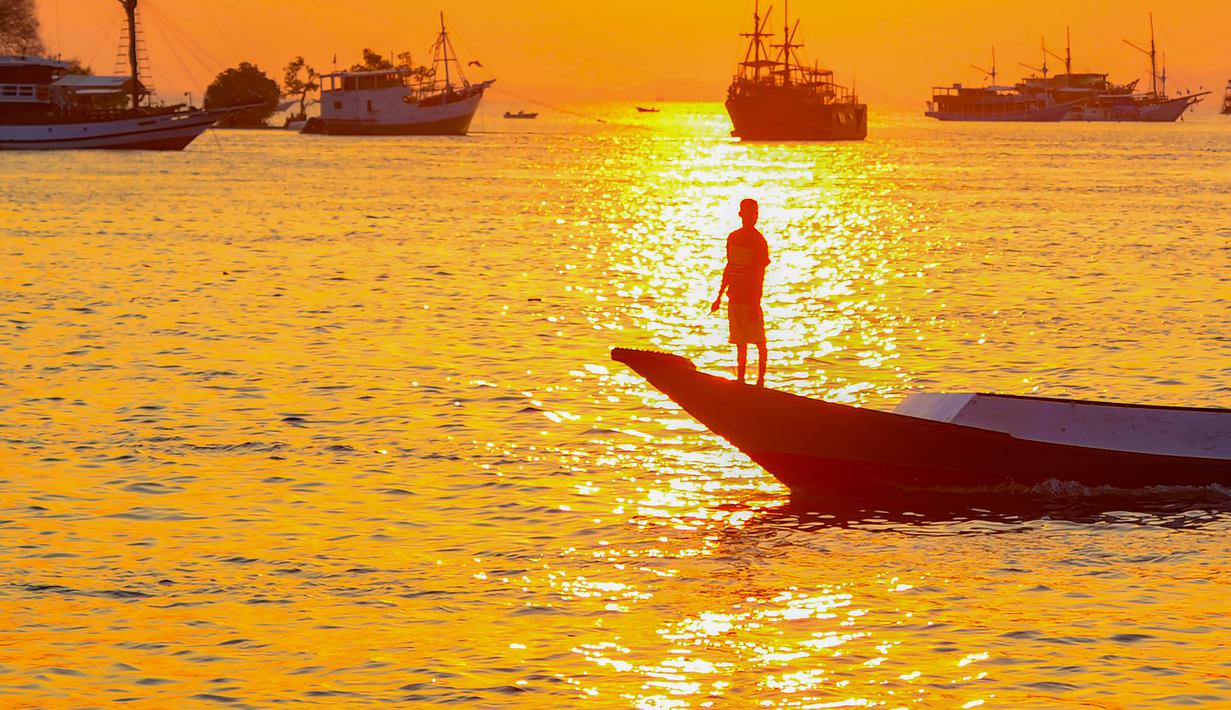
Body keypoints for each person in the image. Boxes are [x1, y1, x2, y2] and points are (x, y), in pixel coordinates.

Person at [711, 198, 770, 386]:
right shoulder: (733, 238)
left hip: (750, 298)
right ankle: (741, 379)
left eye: (755, 213)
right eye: (749, 213)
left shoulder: (759, 241)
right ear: (741, 215)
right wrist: (719, 296)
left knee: (760, 343)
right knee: (740, 342)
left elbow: (759, 274)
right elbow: (730, 267)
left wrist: (755, 302)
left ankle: (760, 380)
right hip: (735, 297)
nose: (753, 217)